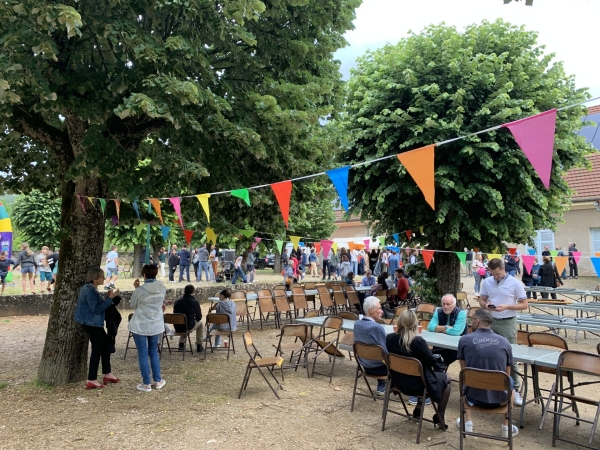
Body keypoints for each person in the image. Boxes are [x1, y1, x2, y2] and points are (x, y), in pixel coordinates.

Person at [456, 308, 519, 438]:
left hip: (472, 397)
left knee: (465, 377)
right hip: (500, 399)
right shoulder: (505, 342)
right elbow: (506, 374)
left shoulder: (464, 340)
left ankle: (467, 422)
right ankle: (506, 427)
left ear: (477, 321)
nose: (470, 322)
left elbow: (464, 371)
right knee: (509, 383)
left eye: (472, 320)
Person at [386, 310, 451, 428]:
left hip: (397, 382)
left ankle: (418, 408)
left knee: (423, 374)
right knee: (447, 379)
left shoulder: (390, 338)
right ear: (415, 324)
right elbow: (431, 362)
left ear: (399, 322)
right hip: (419, 385)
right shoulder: (418, 341)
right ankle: (439, 415)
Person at [477, 258, 527, 406]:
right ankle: (492, 386)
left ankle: (515, 389)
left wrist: (507, 307)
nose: (496, 277)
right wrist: (486, 305)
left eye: (498, 274)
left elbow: (524, 305)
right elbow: (481, 300)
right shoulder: (487, 282)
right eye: (493, 274)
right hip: (491, 321)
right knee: (489, 353)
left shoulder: (515, 283)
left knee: (510, 354)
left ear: (503, 268)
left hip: (508, 321)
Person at [73, 268, 121, 389]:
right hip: (91, 323)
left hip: (93, 323)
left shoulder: (92, 289)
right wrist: (110, 298)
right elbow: (97, 309)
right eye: (101, 277)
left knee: (105, 346)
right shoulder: (89, 290)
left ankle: (107, 373)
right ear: (94, 278)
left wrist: (108, 298)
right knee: (97, 349)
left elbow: (97, 305)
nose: (103, 278)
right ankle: (92, 379)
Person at [129, 264, 166, 392]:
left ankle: (146, 383)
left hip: (140, 324)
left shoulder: (140, 290)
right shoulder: (162, 288)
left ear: (144, 275)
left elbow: (133, 304)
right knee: (153, 352)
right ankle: (158, 380)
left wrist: (136, 288)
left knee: (143, 354)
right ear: (155, 273)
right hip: (155, 323)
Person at [353, 296, 388, 395]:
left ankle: (382, 385)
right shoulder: (377, 327)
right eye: (380, 308)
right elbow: (385, 352)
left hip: (365, 365)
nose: (382, 311)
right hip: (382, 369)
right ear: (371, 310)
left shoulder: (357, 324)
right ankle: (414, 393)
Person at [427, 294, 467, 367]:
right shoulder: (438, 311)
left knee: (438, 360)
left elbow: (456, 331)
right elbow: (430, 327)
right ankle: (437, 368)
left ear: (454, 305)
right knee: (428, 354)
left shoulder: (461, 313)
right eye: (443, 304)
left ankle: (438, 368)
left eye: (448, 304)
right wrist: (446, 327)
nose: (445, 307)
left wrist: (438, 328)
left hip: (456, 347)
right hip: (439, 344)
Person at [173, 284, 204, 353]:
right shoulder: (195, 302)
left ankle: (181, 344)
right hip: (188, 326)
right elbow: (199, 317)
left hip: (177, 326)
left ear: (184, 291)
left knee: (183, 321)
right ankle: (199, 345)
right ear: (193, 292)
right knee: (200, 323)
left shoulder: (177, 302)